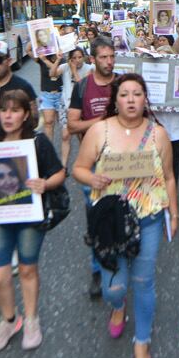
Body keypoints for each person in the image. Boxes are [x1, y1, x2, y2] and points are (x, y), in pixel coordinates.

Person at [72, 74, 178, 358]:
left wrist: (175, 212)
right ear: (115, 99)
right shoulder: (98, 131)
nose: (131, 100)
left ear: (146, 99)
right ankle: (118, 306)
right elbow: (78, 169)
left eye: (137, 94)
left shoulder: (158, 134)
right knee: (113, 287)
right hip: (110, 221)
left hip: (149, 218)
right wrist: (92, 178)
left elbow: (169, 176)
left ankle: (141, 341)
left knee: (144, 281)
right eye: (124, 94)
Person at [0, 91, 66, 353]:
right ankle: (10, 320)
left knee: (27, 269)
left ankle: (32, 319)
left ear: (26, 114)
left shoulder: (37, 143)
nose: (8, 116)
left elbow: (60, 173)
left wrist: (45, 183)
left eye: (14, 111)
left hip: (28, 215)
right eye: (4, 110)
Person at [68, 37, 119, 299]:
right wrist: (102, 121)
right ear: (92, 59)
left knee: (123, 216)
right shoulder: (82, 86)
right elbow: (72, 125)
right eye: (103, 57)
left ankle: (120, 266)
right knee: (97, 222)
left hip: (123, 163)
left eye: (112, 56)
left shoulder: (123, 83)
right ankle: (97, 269)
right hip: (94, 165)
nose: (109, 62)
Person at [57, 46, 89, 165]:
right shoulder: (65, 67)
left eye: (80, 57)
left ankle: (84, 161)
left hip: (81, 108)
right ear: (70, 59)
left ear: (84, 57)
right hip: (66, 105)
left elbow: (82, 87)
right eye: (74, 58)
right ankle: (63, 166)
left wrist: (74, 71)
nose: (78, 60)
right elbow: (52, 74)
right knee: (65, 136)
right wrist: (57, 60)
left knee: (82, 137)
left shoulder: (89, 68)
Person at [34, 42, 66, 139]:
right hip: (47, 95)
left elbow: (54, 71)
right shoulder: (41, 58)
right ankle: (49, 150)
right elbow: (28, 50)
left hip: (61, 95)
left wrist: (46, 60)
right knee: (48, 123)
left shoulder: (62, 59)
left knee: (63, 125)